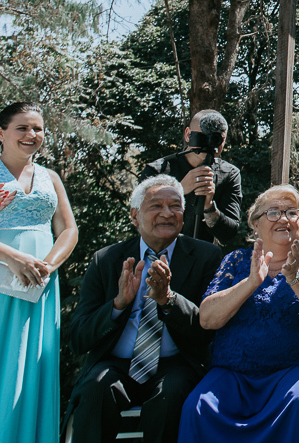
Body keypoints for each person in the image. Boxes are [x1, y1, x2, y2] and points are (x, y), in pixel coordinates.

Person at [179, 185, 299, 443]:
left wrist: (296, 277)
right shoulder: (236, 261)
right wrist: (252, 281)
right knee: (197, 406)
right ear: (255, 224)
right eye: (273, 212)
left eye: (292, 212)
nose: (284, 219)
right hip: (234, 374)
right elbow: (207, 318)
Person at [67, 176, 222, 443]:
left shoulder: (208, 257)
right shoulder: (106, 260)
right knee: (96, 389)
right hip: (114, 363)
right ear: (134, 216)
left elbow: (208, 331)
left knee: (172, 397)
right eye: (156, 206)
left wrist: (168, 300)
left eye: (175, 206)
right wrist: (118, 304)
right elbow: (79, 338)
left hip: (176, 364)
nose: (167, 213)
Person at [0, 102, 78, 443]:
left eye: (38, 129)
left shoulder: (51, 177)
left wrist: (47, 265)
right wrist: (12, 257)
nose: (32, 135)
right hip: (2, 275)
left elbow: (68, 230)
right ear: (1, 133)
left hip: (41, 284)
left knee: (31, 363)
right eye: (23, 128)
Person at [140, 110, 242, 245]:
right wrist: (179, 190)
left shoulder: (228, 174)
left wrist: (209, 206)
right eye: (203, 137)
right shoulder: (158, 170)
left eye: (216, 139)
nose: (209, 144)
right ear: (188, 134)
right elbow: (141, 220)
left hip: (204, 259)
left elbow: (229, 235)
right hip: (162, 254)